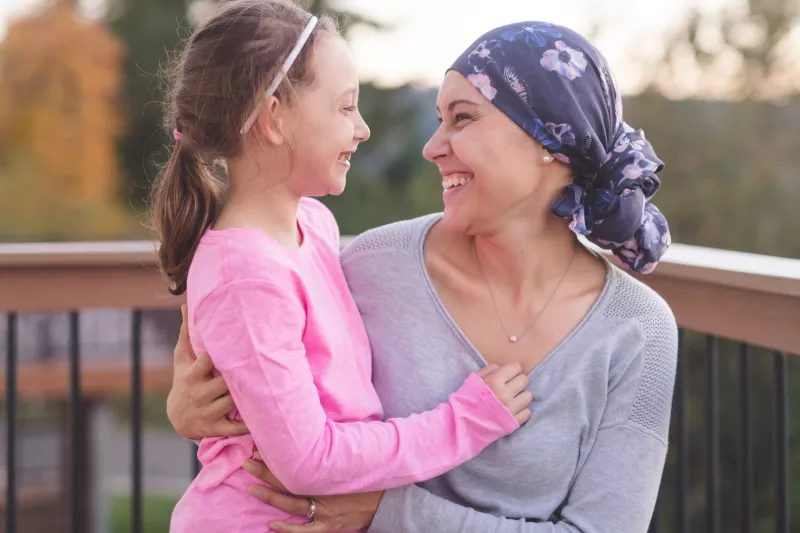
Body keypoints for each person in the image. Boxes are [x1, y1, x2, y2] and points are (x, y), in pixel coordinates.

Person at [166, 19, 679, 533]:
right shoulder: (370, 265)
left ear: (548, 139)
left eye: (463, 118)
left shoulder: (639, 331)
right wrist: (190, 413)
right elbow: (280, 397)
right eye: (438, 119)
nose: (430, 147)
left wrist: (388, 510)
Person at [151, 2, 534, 532]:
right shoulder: (247, 276)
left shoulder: (313, 225)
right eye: (344, 108)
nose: (362, 128)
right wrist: (463, 422)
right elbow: (309, 458)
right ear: (272, 118)